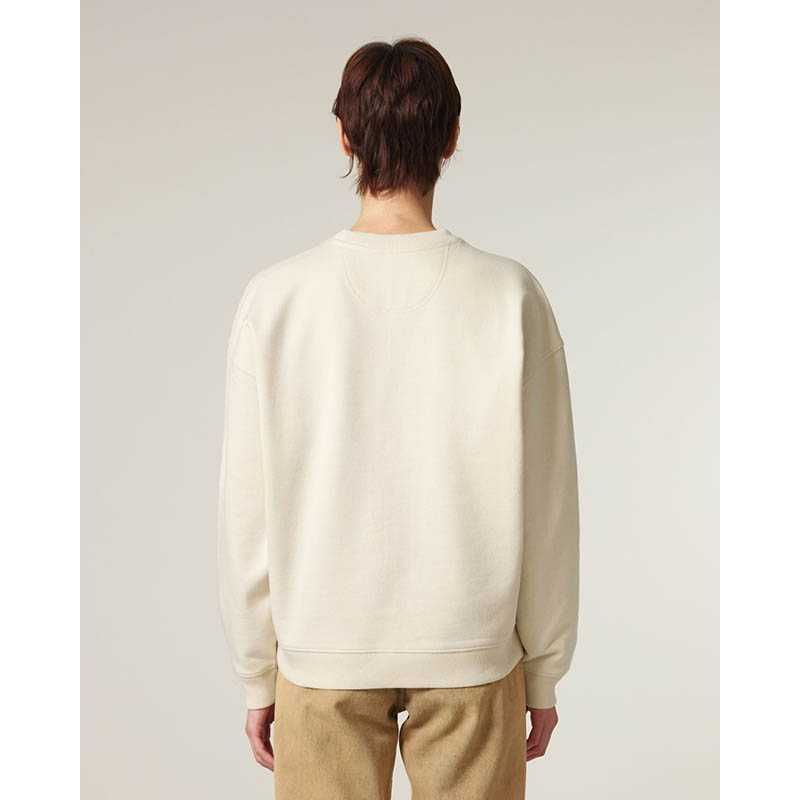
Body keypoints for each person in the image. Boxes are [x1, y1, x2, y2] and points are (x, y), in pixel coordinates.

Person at [218, 37, 579, 799]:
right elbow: (549, 503)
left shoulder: (277, 298)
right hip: (473, 644)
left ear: (344, 135)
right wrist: (544, 670)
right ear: (451, 136)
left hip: (323, 647)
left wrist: (257, 670)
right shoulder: (510, 295)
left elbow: (246, 508)